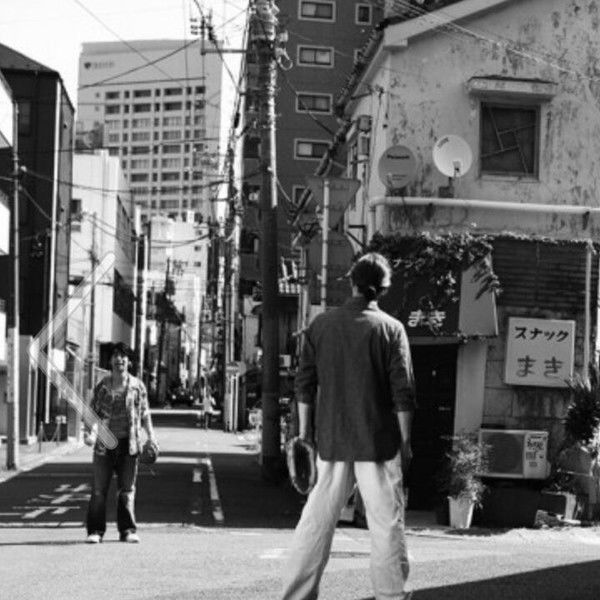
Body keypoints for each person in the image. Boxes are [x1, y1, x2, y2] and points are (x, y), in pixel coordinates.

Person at [281, 252, 416, 600]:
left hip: (331, 439)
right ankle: (390, 595)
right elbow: (403, 393)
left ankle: (296, 595)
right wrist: (405, 441)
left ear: (352, 283)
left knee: (316, 523)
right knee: (386, 526)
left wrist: (305, 435)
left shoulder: (321, 326)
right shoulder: (391, 329)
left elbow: (304, 385)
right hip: (378, 441)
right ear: (382, 289)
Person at [84, 341, 158, 544]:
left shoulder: (137, 386)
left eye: (123, 356)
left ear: (129, 362)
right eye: (116, 356)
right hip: (104, 445)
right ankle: (95, 531)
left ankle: (127, 530)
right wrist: (89, 433)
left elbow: (145, 414)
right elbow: (91, 413)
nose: (120, 359)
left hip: (129, 445)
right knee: (99, 491)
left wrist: (151, 437)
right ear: (110, 361)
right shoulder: (103, 386)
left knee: (127, 490)